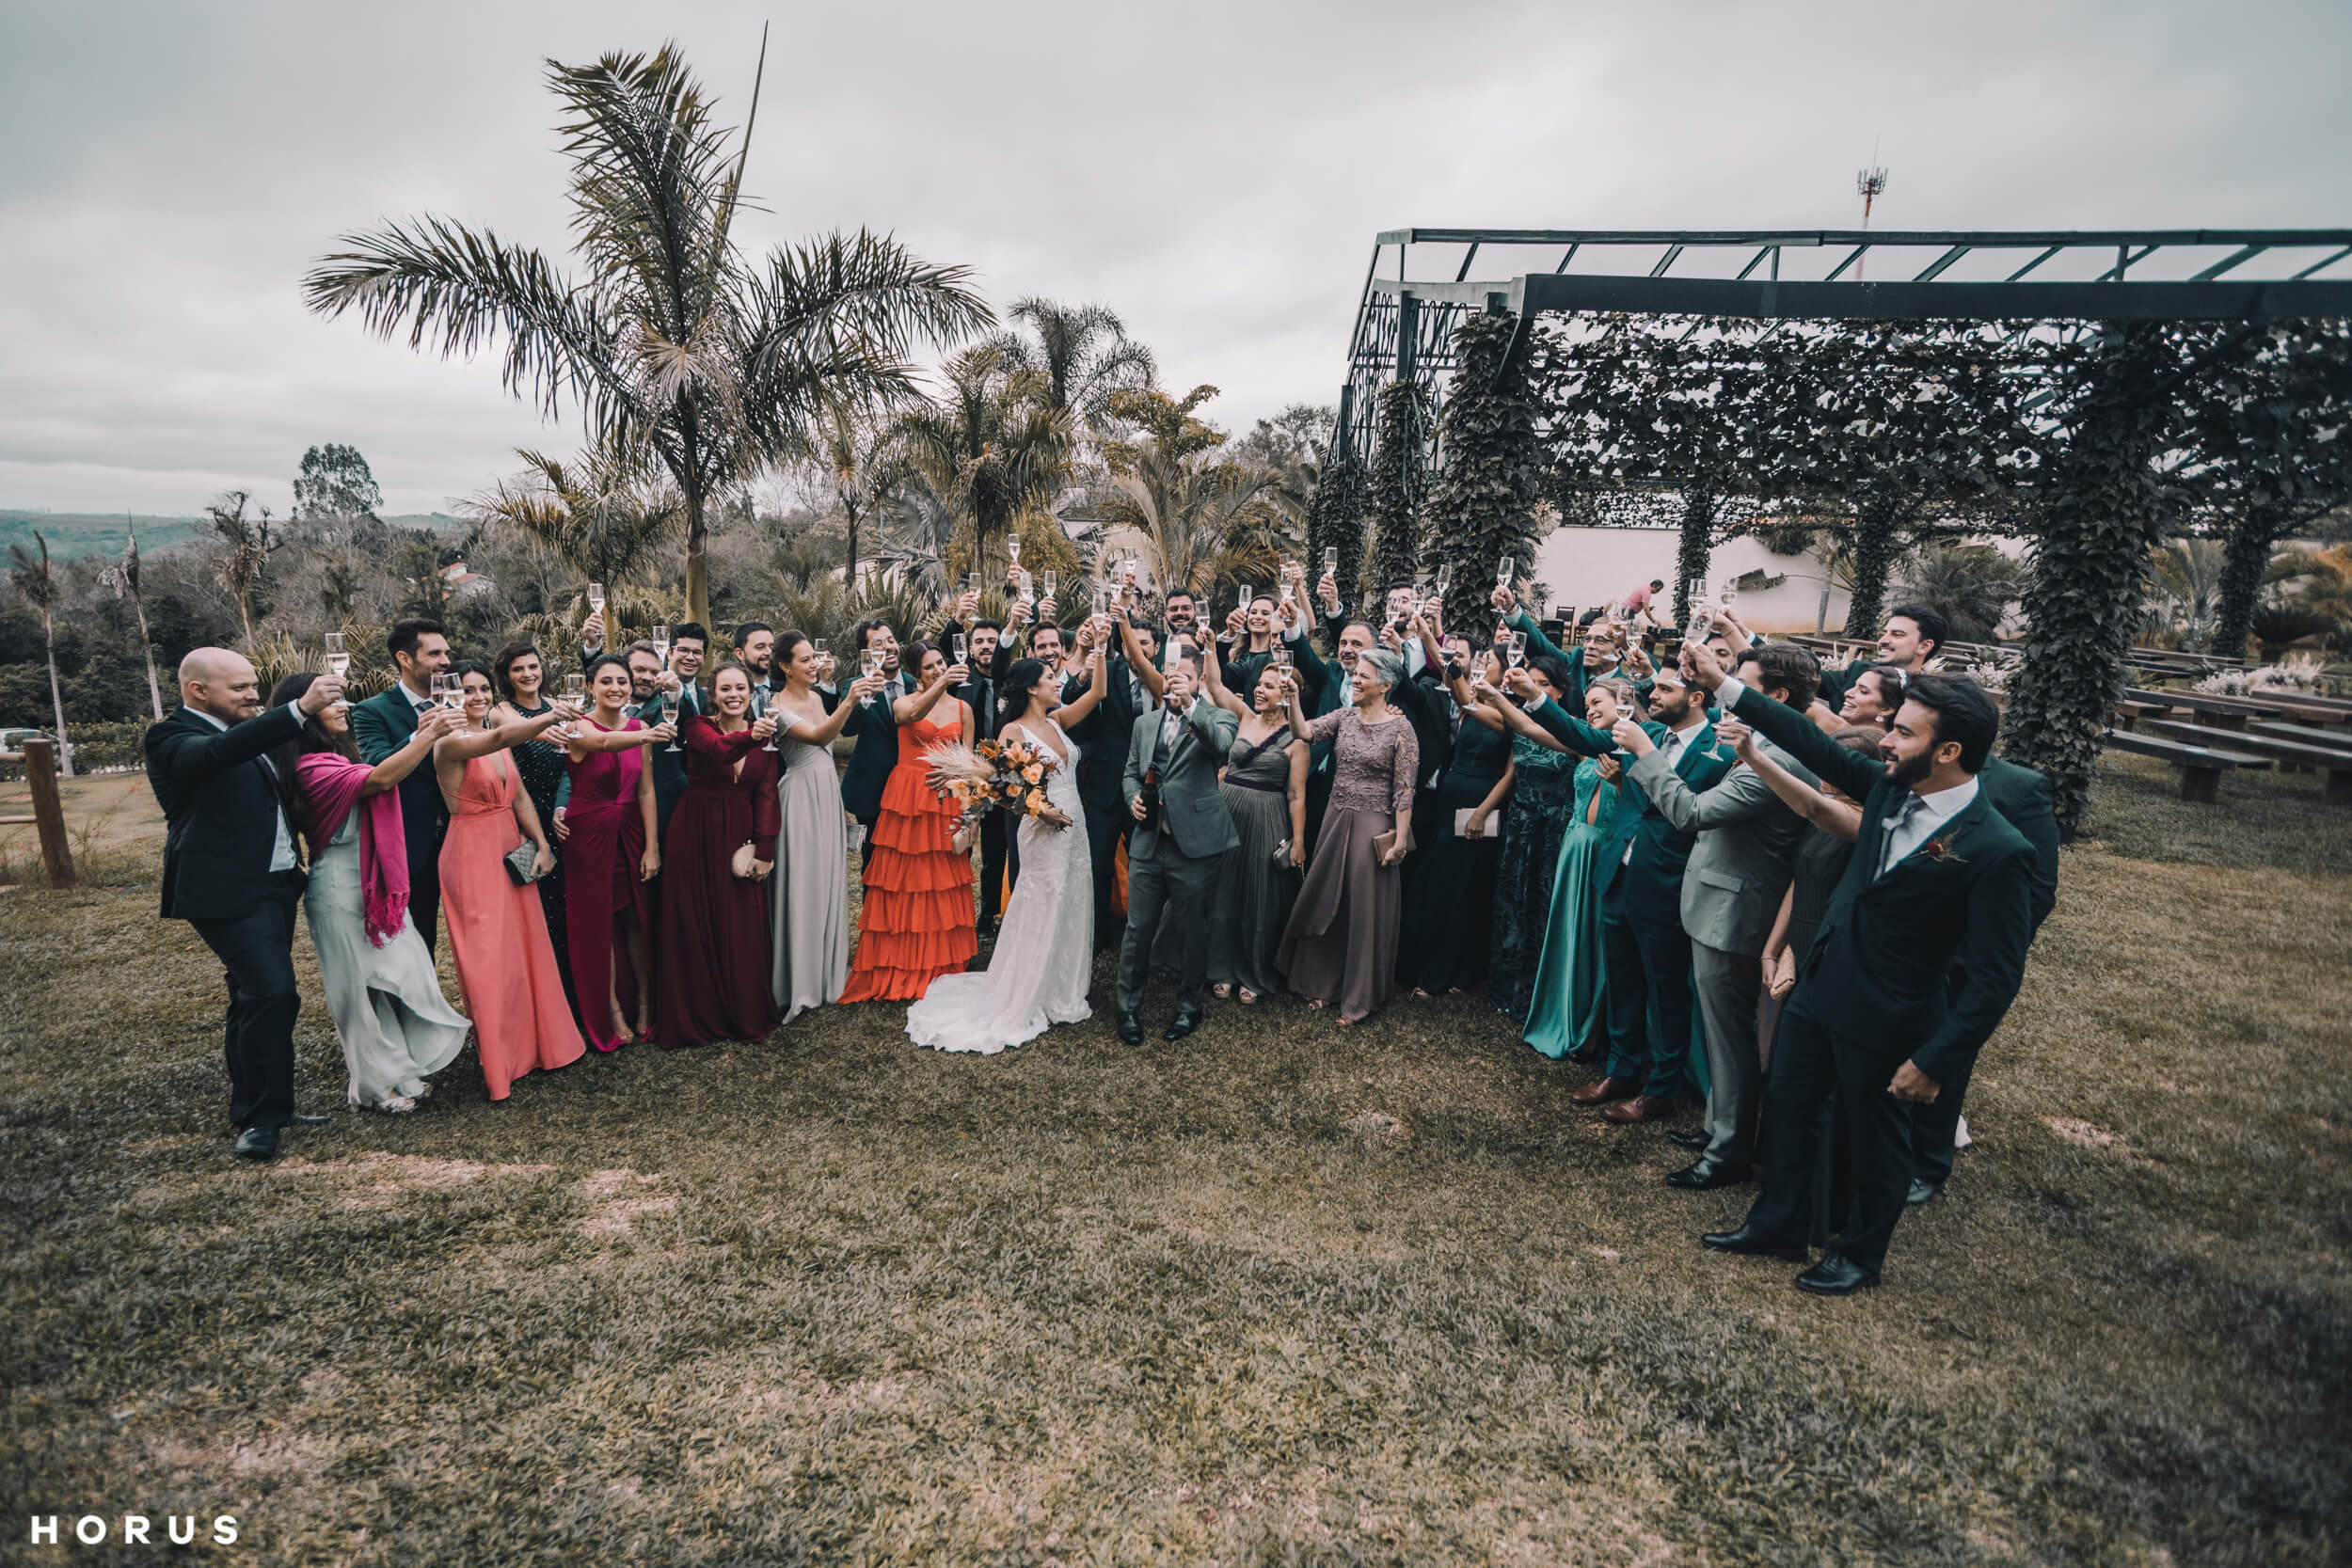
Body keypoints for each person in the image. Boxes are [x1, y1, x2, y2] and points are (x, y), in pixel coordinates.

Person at [1684, 644, 2037, 1295]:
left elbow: (1994, 975)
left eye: (1904, 731)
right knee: (1788, 1105)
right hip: (1822, 984)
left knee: (1876, 1138)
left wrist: (1935, 1059)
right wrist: (1727, 686)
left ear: (1950, 751)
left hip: (1894, 1014)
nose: (1888, 741)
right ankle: (1779, 1223)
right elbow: (1811, 744)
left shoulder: (1995, 849)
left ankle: (1860, 1254)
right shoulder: (1887, 790)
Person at [1619, 642, 1822, 1192]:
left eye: (1743, 684)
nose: (1730, 693)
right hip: (1717, 899)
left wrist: (1645, 751)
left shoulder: (1775, 760)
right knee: (1721, 1029)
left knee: (1731, 1036)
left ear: (1776, 697)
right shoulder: (1766, 744)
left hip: (1735, 910)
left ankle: (1729, 1151)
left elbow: (1692, 812)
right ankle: (1717, 1127)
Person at [145, 648, 346, 1158]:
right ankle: (261, 1121)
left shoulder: (249, 731)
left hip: (275, 884)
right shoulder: (171, 737)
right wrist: (297, 709)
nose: (253, 694)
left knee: (250, 996)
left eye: (254, 684)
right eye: (239, 688)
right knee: (274, 993)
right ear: (198, 691)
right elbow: (215, 757)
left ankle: (258, 1105)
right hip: (224, 889)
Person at [1516, 661, 1735, 1124]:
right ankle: (1620, 1071)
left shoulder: (1720, 753)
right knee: (1622, 977)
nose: (1651, 693)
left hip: (1670, 881)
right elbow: (1583, 737)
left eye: (1664, 688)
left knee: (1665, 988)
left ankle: (1660, 1090)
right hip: (1619, 872)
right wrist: (1535, 699)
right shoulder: (1647, 730)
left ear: (1696, 698)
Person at [274, 670, 473, 1114]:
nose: (344, 707)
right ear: (304, 711)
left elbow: (381, 771)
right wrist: (429, 736)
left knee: (399, 975)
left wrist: (421, 736)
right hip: (338, 889)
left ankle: (401, 1069)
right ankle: (373, 1086)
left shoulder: (335, 758)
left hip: (374, 886)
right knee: (359, 993)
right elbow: (381, 781)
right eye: (332, 702)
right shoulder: (309, 767)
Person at [905, 647, 1109, 1054]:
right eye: (1051, 677)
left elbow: (1098, 692)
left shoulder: (1058, 720)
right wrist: (1040, 810)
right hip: (1042, 830)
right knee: (1042, 902)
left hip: (1076, 829)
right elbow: (1000, 790)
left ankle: (1061, 989)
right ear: (1033, 688)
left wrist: (1101, 645)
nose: (1057, 681)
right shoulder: (1013, 731)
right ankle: (1029, 991)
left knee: (1072, 899)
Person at [432, 663, 587, 1101]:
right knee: (488, 959)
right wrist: (555, 716)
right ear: (450, 697)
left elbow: (517, 793)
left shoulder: (496, 739)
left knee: (526, 948)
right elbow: (502, 737)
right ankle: (501, 1063)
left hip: (509, 844)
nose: (478, 696)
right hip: (471, 854)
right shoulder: (449, 744)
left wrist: (540, 843)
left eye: (483, 688)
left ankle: (540, 1046)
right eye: (467, 690)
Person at [1276, 647, 1419, 1024]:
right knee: (1327, 899)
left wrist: (1400, 839)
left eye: (1364, 676)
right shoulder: (1344, 716)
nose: (1354, 679)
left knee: (1362, 910)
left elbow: (1405, 789)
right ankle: (1322, 983)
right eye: (1355, 674)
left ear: (1385, 684)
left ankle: (1360, 996)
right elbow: (1303, 731)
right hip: (1336, 817)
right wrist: (1292, 700)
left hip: (1374, 823)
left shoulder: (1401, 728)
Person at [1115, 641, 1242, 1045]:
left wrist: (1190, 706)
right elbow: (1131, 772)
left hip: (1195, 843)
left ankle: (1189, 1007)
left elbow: (1222, 748)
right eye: (1170, 677)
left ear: (1199, 680)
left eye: (1183, 678)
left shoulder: (1219, 715)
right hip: (1149, 842)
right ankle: (1127, 1007)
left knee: (1191, 930)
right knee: (1139, 928)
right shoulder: (1144, 723)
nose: (1174, 684)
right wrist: (1132, 796)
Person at [838, 640, 977, 1002]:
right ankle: (898, 960)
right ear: (917, 673)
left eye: (940, 663)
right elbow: (910, 717)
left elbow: (970, 763)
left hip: (946, 799)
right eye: (929, 666)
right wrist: (940, 683)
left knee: (939, 882)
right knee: (904, 881)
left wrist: (965, 800)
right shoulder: (901, 701)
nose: (937, 669)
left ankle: (940, 959)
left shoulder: (963, 708)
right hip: (907, 797)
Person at [656, 662, 784, 1050]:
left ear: (750, 692)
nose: (733, 695)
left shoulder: (765, 735)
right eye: (725, 688)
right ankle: (699, 1014)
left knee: (740, 921)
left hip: (739, 831)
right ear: (713, 694)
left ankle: (744, 1012)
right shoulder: (697, 726)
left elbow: (767, 792)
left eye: (740, 688)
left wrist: (764, 847)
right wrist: (751, 736)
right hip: (695, 831)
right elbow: (718, 751)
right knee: (694, 919)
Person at [1518, 678, 1638, 1062]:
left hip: (1606, 850)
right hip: (1575, 846)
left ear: (1624, 704)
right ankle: (1560, 1012)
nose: (1590, 709)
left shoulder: (1635, 749)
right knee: (1569, 932)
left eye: (1597, 702)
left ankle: (1591, 1027)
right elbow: (1529, 728)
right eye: (1587, 704)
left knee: (1598, 937)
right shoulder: (1586, 746)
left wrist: (1622, 783)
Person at [768, 633, 882, 1023]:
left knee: (829, 880)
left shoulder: (816, 698)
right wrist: (851, 699)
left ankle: (827, 974)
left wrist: (843, 700)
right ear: (785, 667)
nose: (813, 664)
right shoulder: (776, 706)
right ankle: (799, 982)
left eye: (814, 658)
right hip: (799, 796)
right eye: (804, 660)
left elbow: (832, 732)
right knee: (803, 884)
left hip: (826, 794)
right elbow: (820, 737)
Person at [561, 653, 673, 1050]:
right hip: (588, 835)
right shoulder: (577, 726)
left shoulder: (640, 725)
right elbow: (602, 743)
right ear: (591, 686)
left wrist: (652, 846)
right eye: (606, 681)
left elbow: (645, 789)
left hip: (631, 832)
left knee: (635, 920)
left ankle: (644, 1001)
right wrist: (648, 736)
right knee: (598, 926)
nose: (615, 688)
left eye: (622, 681)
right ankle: (610, 1010)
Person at [1398, 638, 1515, 998]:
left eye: (1487, 659)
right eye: (1477, 657)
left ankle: (1453, 973)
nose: (1479, 663)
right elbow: (1455, 678)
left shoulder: (1510, 711)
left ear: (1506, 668)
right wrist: (1425, 631)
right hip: (1450, 801)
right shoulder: (1473, 703)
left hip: (1480, 807)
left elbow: (1511, 773)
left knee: (1462, 890)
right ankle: (1420, 963)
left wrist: (1482, 813)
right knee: (1436, 885)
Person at [1203, 657, 1311, 1005]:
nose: (1258, 691)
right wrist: (1209, 647)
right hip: (1227, 808)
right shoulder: (1245, 716)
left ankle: (1253, 971)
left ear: (1288, 694)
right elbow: (1217, 687)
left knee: (1258, 897)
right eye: (1259, 684)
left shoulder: (1298, 738)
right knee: (1221, 891)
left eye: (1268, 686)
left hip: (1267, 815)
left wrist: (1298, 841)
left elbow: (1296, 795)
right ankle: (1219, 967)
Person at [1484, 656, 1582, 1022]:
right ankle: (1506, 986)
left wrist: (1500, 701)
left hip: (1554, 829)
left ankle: (1540, 993)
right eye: (1531, 682)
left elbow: (1532, 730)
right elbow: (1470, 705)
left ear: (1559, 692)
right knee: (1513, 904)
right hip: (1520, 826)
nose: (1535, 689)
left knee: (1543, 907)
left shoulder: (1574, 729)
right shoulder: (1516, 723)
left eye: (1543, 684)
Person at [349, 618, 453, 951]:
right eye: (435, 654)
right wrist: (418, 736)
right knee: (411, 937)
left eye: (447, 653)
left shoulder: (459, 703)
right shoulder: (372, 710)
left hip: (459, 839)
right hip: (408, 842)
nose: (445, 661)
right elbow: (376, 768)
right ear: (405, 659)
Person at [491, 640, 577, 1013]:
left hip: (563, 811)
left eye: (533, 666)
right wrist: (553, 727)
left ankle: (574, 995)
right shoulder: (499, 712)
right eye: (519, 669)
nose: (528, 674)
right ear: (507, 677)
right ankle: (544, 1001)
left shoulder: (559, 705)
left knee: (569, 905)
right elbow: (519, 731)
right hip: (524, 817)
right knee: (539, 911)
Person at [835, 618, 908, 883]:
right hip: (871, 791)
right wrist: (862, 699)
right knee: (875, 862)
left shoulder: (915, 684)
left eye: (890, 640)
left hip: (910, 792)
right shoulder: (854, 686)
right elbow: (846, 729)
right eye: (879, 644)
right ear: (867, 654)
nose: (889, 647)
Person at [1817, 604, 1947, 709]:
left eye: (1897, 634)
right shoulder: (1858, 672)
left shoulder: (1930, 698)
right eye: (1884, 633)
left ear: (1924, 646)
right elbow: (1806, 674)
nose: (1883, 641)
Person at [735, 622, 776, 716]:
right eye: (760, 647)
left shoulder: (784, 690)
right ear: (740, 653)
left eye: (772, 647)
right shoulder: (729, 694)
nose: (768, 652)